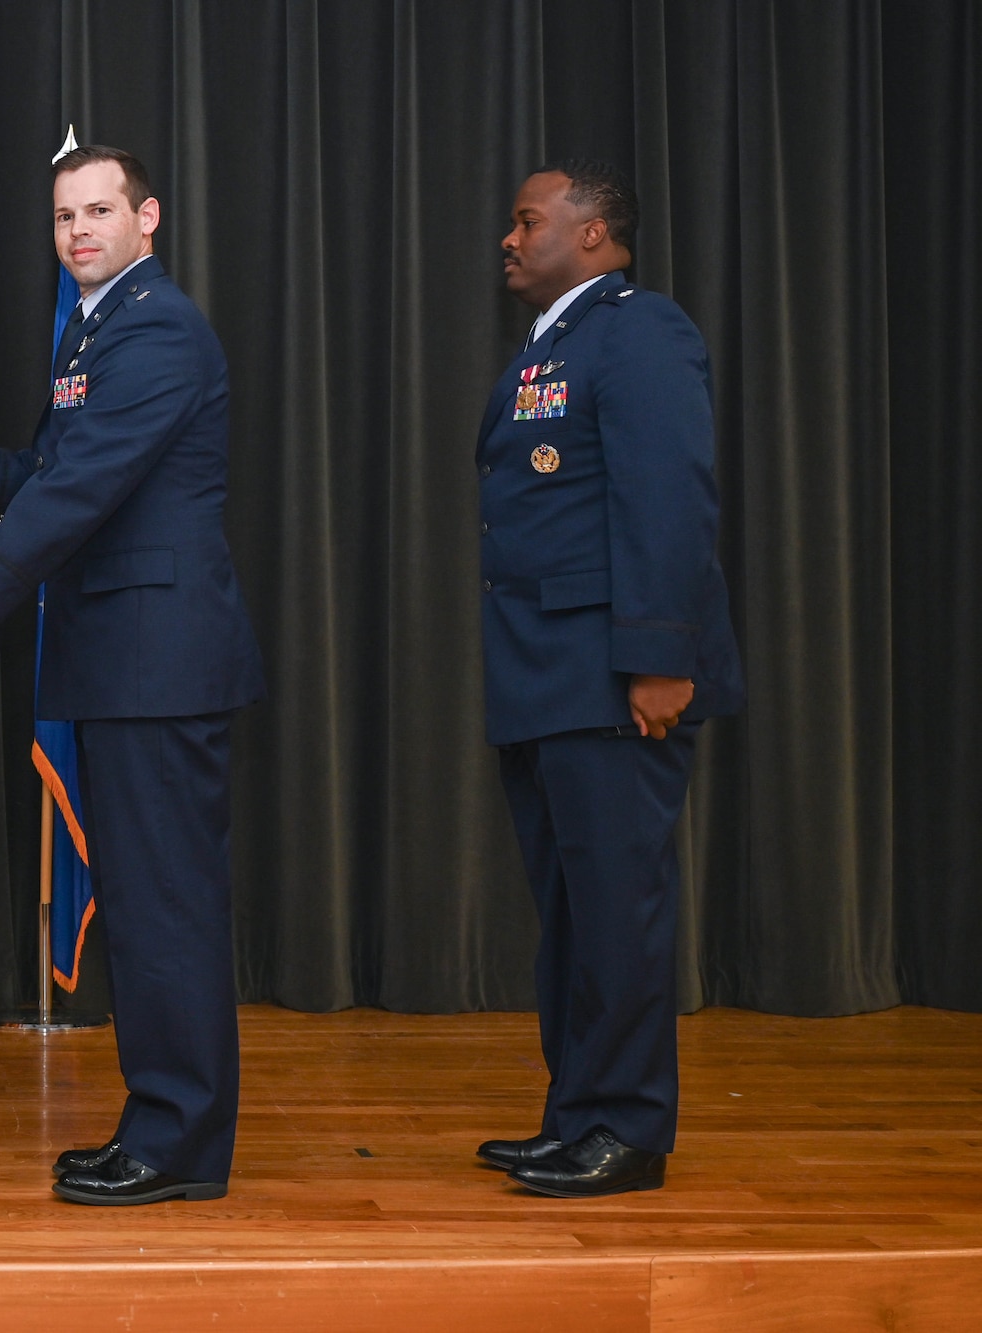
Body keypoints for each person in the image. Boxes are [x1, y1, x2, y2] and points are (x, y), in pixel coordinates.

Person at [0, 146, 265, 1206]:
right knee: (143, 907)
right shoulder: (97, 328)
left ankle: (180, 1143)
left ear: (147, 218)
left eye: (99, 210)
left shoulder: (156, 328)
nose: (78, 230)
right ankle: (158, 1122)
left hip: (159, 663)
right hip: (117, 662)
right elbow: (44, 475)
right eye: (62, 216)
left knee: (167, 908)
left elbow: (83, 488)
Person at [472, 161, 744, 1197]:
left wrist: (659, 658)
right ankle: (575, 1111)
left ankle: (625, 1128)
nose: (508, 236)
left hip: (610, 679)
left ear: (591, 234)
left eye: (526, 219)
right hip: (546, 676)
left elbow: (666, 500)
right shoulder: (555, 341)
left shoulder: (640, 330)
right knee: (574, 915)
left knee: (617, 911)